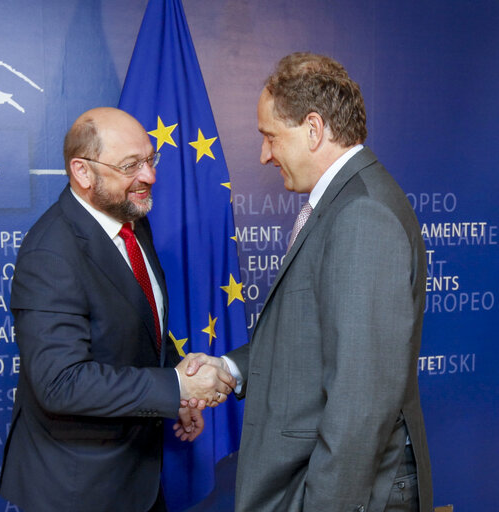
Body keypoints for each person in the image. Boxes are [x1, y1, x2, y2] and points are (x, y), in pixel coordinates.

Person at [185, 52, 433, 511]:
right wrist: (231, 369)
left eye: (270, 137)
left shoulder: (363, 215)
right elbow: (307, 340)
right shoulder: (344, 203)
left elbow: (361, 398)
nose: (263, 155)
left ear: (314, 129)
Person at [0, 107, 234, 512]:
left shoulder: (130, 219)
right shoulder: (50, 254)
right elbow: (61, 383)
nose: (149, 176)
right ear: (83, 172)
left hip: (137, 475)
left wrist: (175, 395)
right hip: (79, 488)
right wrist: (175, 387)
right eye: (131, 165)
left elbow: (138, 324)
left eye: (150, 159)